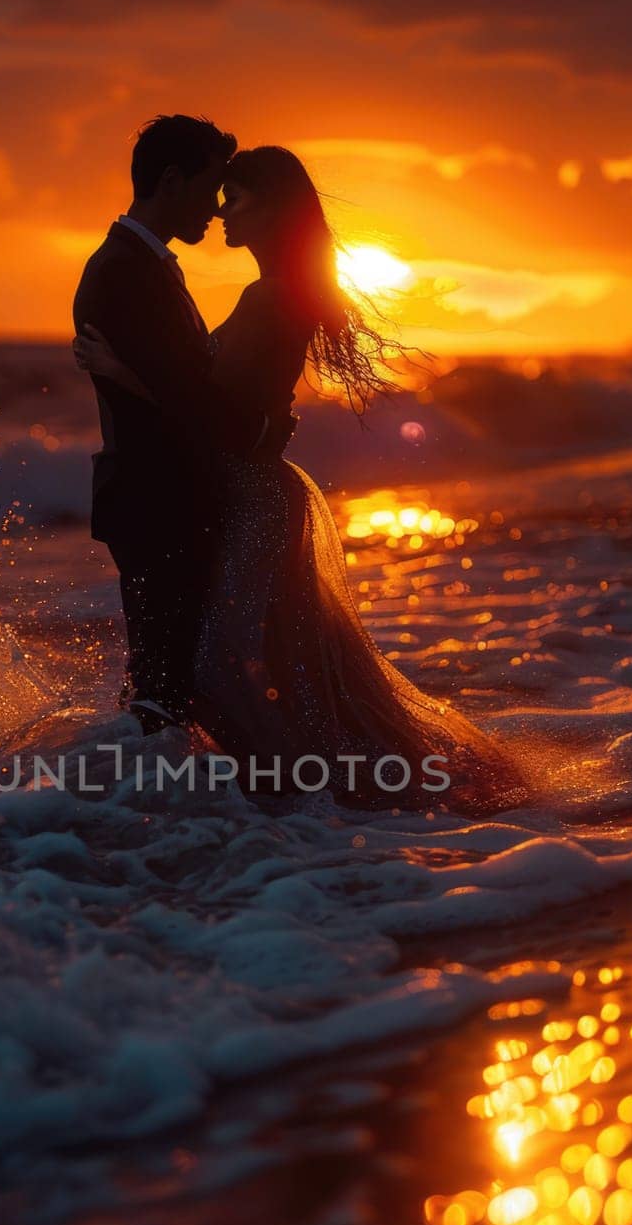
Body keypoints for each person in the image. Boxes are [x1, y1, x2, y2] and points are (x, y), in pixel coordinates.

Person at [75, 145, 527, 813]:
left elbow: (220, 418)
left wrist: (123, 376)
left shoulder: (270, 297)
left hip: (253, 497)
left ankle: (309, 799)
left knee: (227, 664)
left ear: (275, 209)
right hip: (245, 492)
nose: (224, 212)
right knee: (283, 663)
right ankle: (309, 794)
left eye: (239, 199)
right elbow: (235, 408)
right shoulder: (274, 292)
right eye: (221, 196)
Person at [72, 115, 288, 735]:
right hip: (153, 498)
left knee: (170, 683)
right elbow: (186, 397)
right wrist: (265, 430)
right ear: (172, 181)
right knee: (163, 690)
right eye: (211, 186)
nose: (217, 207)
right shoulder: (122, 271)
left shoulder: (147, 265)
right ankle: (134, 814)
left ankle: (149, 813)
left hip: (167, 498)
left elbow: (181, 386)